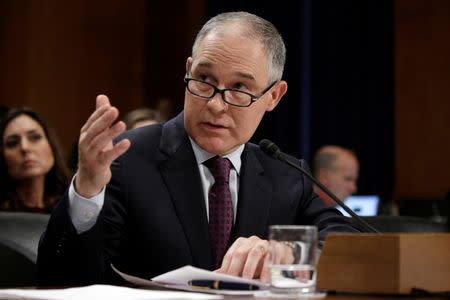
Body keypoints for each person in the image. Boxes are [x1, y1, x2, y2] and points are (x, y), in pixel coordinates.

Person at [37, 11, 359, 286]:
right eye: (204, 79)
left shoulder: (286, 176)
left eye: (239, 88)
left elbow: (354, 247)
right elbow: (63, 279)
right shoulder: (125, 159)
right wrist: (87, 192)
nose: (217, 105)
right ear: (188, 70)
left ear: (274, 96)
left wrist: (287, 250)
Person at [0, 108, 71, 213]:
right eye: (12, 143)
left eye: (34, 137)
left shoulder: (73, 206)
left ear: (51, 145)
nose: (25, 147)